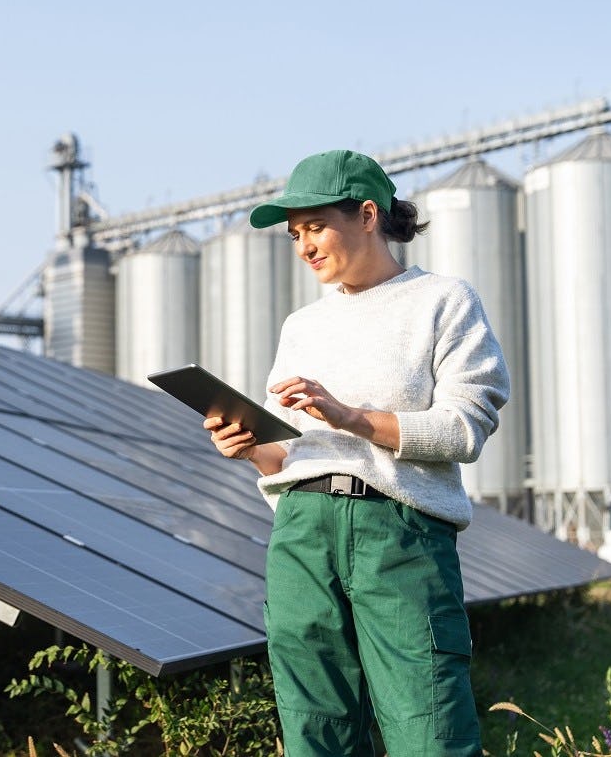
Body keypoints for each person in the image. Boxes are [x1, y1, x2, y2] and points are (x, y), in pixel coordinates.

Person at [205, 149, 510, 757]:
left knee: (430, 727)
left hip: (400, 534)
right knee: (314, 730)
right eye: (295, 235)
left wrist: (352, 418)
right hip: (301, 534)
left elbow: (465, 427)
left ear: (368, 214)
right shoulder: (302, 326)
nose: (304, 246)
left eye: (315, 227)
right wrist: (249, 448)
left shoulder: (443, 301)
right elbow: (292, 455)